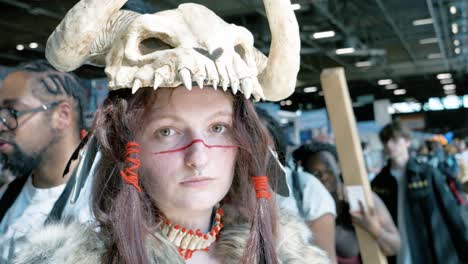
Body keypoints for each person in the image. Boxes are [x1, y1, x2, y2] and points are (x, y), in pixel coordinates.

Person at [13, 0, 330, 263]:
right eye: (167, 131)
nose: (198, 157)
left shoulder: (285, 254)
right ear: (126, 146)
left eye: (218, 128)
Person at [0, 60, 87, 262]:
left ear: (61, 116)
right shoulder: (7, 195)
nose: (2, 125)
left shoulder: (101, 207)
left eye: (12, 112)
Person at [372, 121, 468, 264]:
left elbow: (450, 211)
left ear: (407, 142)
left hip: (428, 249)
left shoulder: (427, 173)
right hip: (395, 251)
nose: (389, 145)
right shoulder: (378, 183)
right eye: (386, 141)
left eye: (394, 140)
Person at [293, 142, 400, 264]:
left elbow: (395, 247)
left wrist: (374, 229)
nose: (323, 177)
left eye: (328, 169)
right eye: (316, 173)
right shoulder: (306, 208)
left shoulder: (359, 198)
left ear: (338, 166)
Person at [256, 108, 338, 263]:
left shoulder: (306, 187)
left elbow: (327, 258)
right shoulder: (219, 192)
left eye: (262, 145)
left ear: (276, 147)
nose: (254, 154)